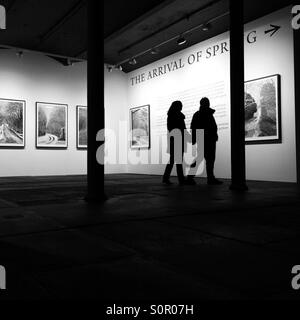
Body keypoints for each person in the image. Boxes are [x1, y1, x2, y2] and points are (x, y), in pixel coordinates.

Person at [187, 97, 223, 185]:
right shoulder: (205, 114)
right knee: (206, 159)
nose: (208, 104)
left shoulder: (200, 114)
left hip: (207, 139)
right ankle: (194, 177)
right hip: (206, 139)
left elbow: (193, 127)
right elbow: (194, 127)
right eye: (207, 102)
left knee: (207, 159)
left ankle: (207, 178)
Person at [162, 100, 187, 185]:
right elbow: (180, 128)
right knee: (177, 160)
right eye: (180, 105)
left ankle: (166, 177)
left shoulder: (172, 115)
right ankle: (181, 179)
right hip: (177, 140)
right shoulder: (176, 116)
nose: (182, 107)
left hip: (175, 140)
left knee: (173, 160)